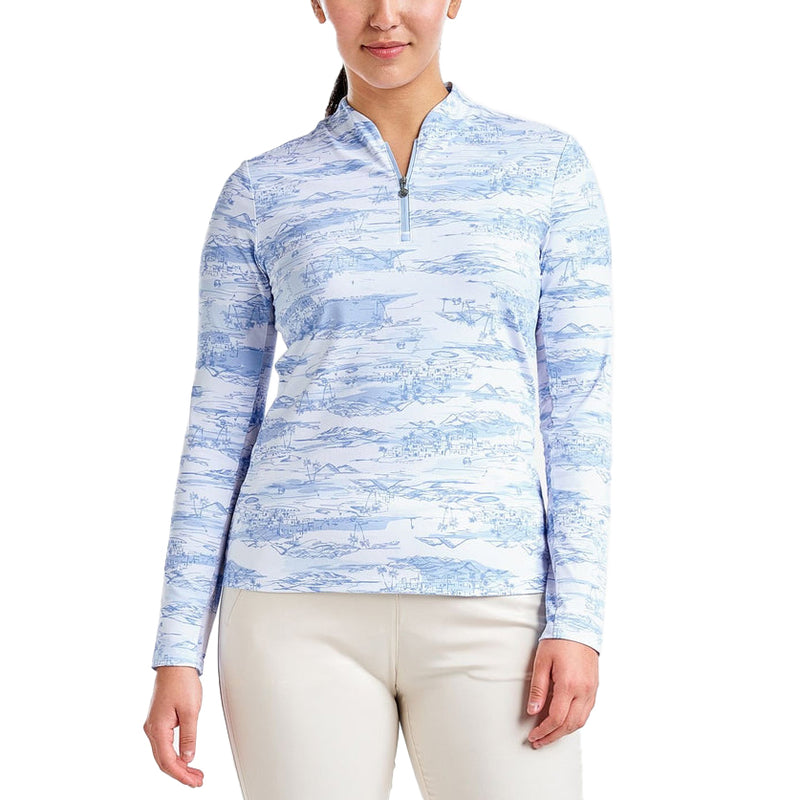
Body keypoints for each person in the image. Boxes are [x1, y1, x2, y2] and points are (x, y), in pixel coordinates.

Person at [143, 1, 613, 798]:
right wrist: (176, 647)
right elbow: (219, 423)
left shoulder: (547, 169)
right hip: (290, 611)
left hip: (494, 605)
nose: (385, 16)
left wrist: (579, 621)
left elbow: (579, 413)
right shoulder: (262, 189)